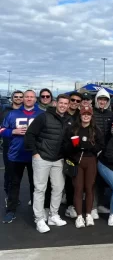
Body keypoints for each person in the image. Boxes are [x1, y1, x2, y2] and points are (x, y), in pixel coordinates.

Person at [24, 94, 73, 233]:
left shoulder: (68, 120)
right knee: (40, 189)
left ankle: (53, 215)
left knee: (58, 188)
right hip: (42, 157)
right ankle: (39, 219)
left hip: (58, 159)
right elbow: (30, 134)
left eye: (66, 103)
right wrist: (35, 152)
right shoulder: (44, 117)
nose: (63, 105)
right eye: (61, 103)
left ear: (68, 105)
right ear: (56, 103)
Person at [1, 90, 42, 223]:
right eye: (27, 97)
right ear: (23, 99)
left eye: (32, 97)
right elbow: (1, 130)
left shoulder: (41, 114)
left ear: (35, 99)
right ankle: (11, 210)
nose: (29, 99)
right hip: (16, 155)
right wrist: (13, 131)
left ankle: (37, 213)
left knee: (35, 185)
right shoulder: (12, 114)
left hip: (34, 155)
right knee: (14, 184)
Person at [62, 106, 105, 228]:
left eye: (88, 114)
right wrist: (73, 146)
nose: (86, 116)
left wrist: (90, 147)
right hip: (77, 161)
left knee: (89, 188)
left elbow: (101, 146)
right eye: (83, 114)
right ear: (80, 115)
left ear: (91, 116)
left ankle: (88, 214)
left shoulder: (95, 130)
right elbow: (65, 146)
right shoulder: (73, 129)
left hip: (90, 160)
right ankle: (79, 216)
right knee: (78, 188)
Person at [0, 90, 23, 200]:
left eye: (20, 97)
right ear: (12, 98)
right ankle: (9, 196)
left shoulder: (27, 112)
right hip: (9, 147)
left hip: (25, 148)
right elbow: (1, 129)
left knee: (21, 175)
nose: (18, 98)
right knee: (9, 173)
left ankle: (15, 196)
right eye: (16, 96)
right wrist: (12, 132)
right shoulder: (5, 111)